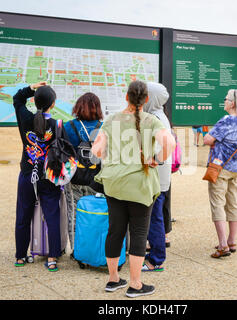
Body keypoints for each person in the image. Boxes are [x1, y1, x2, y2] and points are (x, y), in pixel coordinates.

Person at [91, 80, 176, 298]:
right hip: (140, 185)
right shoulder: (152, 120)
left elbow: (97, 151)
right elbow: (170, 143)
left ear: (126, 97)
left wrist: (115, 157)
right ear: (146, 100)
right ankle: (136, 284)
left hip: (114, 184)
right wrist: (157, 159)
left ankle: (113, 279)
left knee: (115, 231)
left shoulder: (111, 120)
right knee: (139, 233)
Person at [203, 89, 237, 258]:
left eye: (226, 99)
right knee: (232, 204)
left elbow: (207, 140)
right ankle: (232, 241)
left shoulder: (227, 121)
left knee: (217, 204)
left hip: (220, 169)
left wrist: (212, 139)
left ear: (232, 103)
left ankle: (222, 245)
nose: (224, 101)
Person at [13, 81, 62, 272]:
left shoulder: (25, 119)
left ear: (34, 101)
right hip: (49, 177)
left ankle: (20, 256)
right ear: (53, 104)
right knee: (52, 216)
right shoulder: (56, 125)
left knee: (23, 216)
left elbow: (17, 99)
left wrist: (30, 88)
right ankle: (52, 257)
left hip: (27, 174)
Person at [63, 92, 103, 254]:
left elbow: (63, 153)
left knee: (74, 212)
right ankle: (95, 246)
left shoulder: (68, 127)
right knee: (96, 212)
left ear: (78, 107)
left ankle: (76, 249)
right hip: (97, 178)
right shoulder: (104, 128)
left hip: (74, 177)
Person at [142, 82, 171, 272]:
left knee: (154, 218)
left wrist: (151, 159)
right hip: (160, 177)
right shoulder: (160, 115)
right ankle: (155, 252)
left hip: (155, 179)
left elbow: (164, 147)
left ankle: (157, 259)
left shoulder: (154, 118)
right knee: (154, 216)